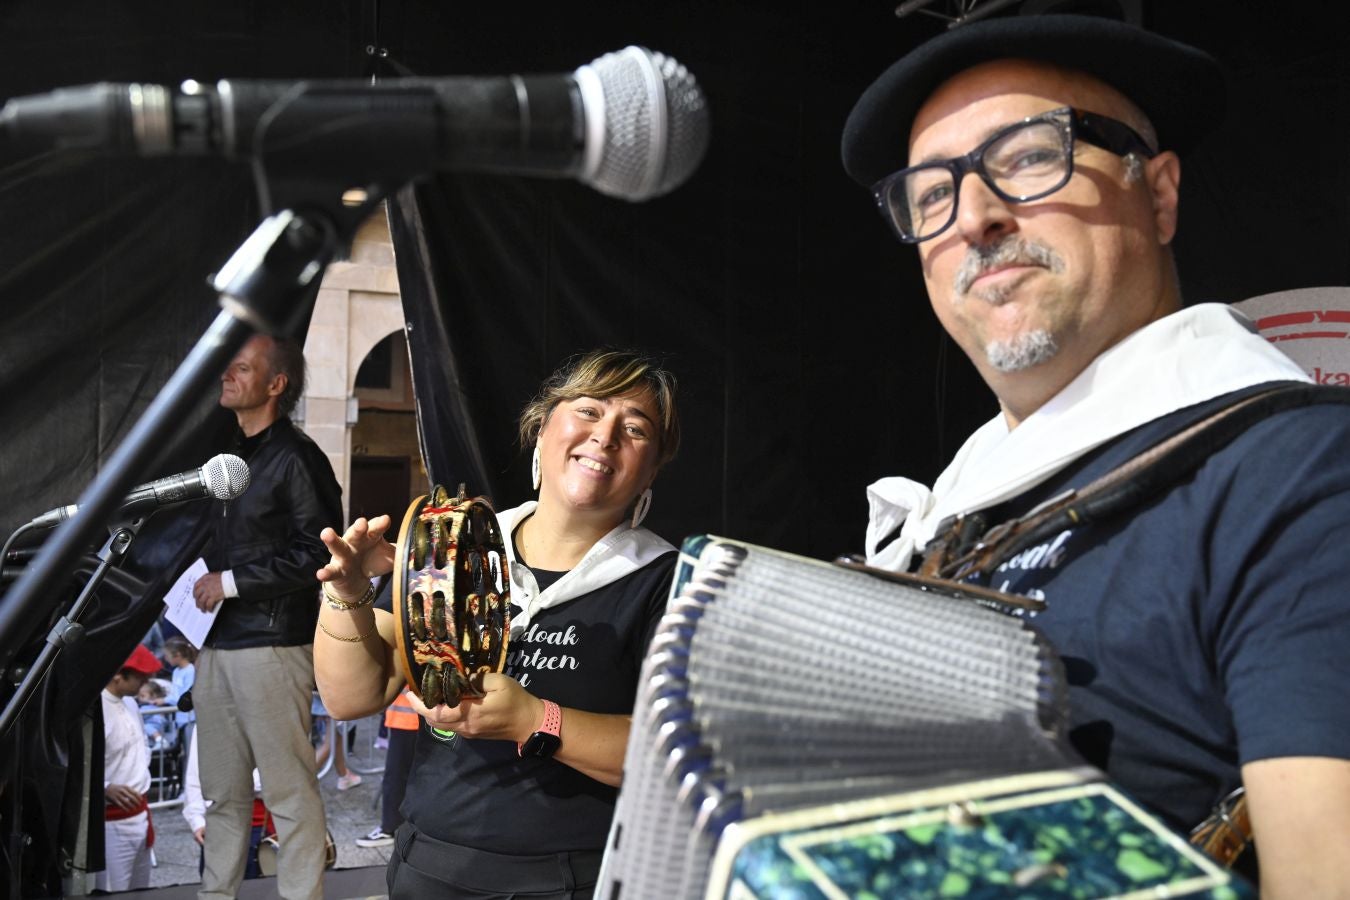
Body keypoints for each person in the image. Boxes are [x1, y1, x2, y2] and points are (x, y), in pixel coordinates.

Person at [840, 14, 1350, 898]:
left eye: (1032, 156)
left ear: (1158, 195)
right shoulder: (940, 521)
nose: (977, 218)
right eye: (932, 194)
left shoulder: (1301, 474)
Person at [314, 349, 681, 899]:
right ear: (541, 429)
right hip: (429, 868)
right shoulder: (453, 548)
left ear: (652, 468)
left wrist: (535, 719)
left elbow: (673, 758)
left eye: (634, 428)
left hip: (569, 879)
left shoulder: (667, 582)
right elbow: (351, 697)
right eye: (587, 411)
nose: (605, 437)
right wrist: (347, 594)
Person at [190, 333, 343, 900]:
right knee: (221, 797)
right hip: (219, 645)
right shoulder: (231, 460)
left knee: (288, 793)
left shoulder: (298, 457)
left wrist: (226, 584)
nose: (227, 374)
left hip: (273, 646)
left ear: (275, 384)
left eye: (243, 367)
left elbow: (318, 551)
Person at [95, 643, 162, 893]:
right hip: (111, 822)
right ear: (117, 675)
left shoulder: (132, 704)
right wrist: (103, 787)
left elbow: (142, 745)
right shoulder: (95, 708)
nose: (144, 682)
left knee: (139, 890)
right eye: (140, 677)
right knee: (114, 890)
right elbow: (80, 766)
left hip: (139, 812)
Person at [354, 685, 420, 849]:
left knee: (396, 776)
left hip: (409, 718)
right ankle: (393, 827)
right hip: (411, 716)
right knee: (402, 776)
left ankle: (389, 828)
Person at [162, 635, 197, 753]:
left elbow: (185, 695)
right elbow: (175, 692)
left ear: (177, 655)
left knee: (190, 749)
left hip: (190, 718)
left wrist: (165, 700)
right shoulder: (176, 671)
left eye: (167, 656)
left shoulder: (191, 670)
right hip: (180, 718)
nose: (165, 659)